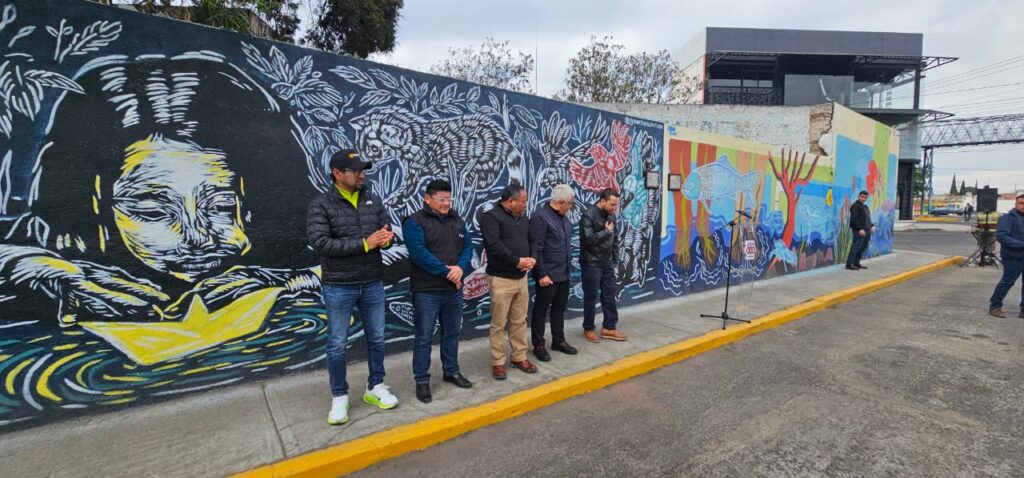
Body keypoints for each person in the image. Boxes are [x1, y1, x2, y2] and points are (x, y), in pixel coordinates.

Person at [307, 148, 398, 426]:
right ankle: (339, 396)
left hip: (372, 281)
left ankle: (375, 386)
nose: (362, 175)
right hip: (339, 285)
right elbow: (320, 243)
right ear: (337, 174)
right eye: (355, 171)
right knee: (337, 344)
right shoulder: (321, 205)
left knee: (377, 338)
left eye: (363, 170)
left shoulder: (372, 198)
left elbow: (385, 231)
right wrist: (365, 244)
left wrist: (387, 239)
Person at [402, 179, 474, 403]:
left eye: (449, 199)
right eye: (441, 199)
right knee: (424, 337)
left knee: (452, 333)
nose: (446, 203)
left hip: (453, 290)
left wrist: (460, 268)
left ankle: (451, 371)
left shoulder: (456, 219)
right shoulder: (414, 222)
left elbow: (468, 247)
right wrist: (447, 272)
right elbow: (419, 254)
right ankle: (422, 380)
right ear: (427, 199)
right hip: (427, 291)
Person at [479, 182, 537, 380]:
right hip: (501, 279)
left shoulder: (524, 218)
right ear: (511, 201)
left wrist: (532, 258)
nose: (526, 204)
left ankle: (519, 357)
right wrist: (517, 261)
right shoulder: (491, 217)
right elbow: (494, 245)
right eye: (523, 201)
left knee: (519, 321)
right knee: (498, 324)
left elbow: (533, 240)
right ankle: (498, 362)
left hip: (521, 278)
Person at [529, 184, 578, 361]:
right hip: (548, 275)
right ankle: (538, 345)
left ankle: (558, 340)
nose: (571, 207)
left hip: (564, 273)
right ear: (562, 201)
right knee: (541, 311)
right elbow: (536, 248)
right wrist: (541, 274)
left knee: (559, 309)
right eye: (570, 203)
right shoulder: (540, 217)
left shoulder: (564, 219)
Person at [580, 188, 628, 342]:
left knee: (609, 294)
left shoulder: (611, 215)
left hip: (607, 263)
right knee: (590, 297)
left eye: (616, 205)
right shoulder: (588, 215)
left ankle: (609, 327)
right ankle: (588, 328)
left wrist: (614, 261)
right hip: (591, 263)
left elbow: (614, 240)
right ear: (602, 201)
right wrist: (605, 232)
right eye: (612, 204)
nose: (615, 208)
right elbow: (588, 239)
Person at [988, 194, 1024, 319]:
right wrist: (1021, 245)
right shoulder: (1007, 218)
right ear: (1015, 204)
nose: (1023, 206)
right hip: (1013, 256)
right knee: (1008, 281)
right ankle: (995, 306)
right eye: (1021, 203)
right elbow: (1002, 236)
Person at [846, 190, 875, 271]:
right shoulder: (855, 206)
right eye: (862, 197)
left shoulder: (865, 207)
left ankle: (856, 263)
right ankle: (849, 264)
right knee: (856, 247)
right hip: (860, 231)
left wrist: (872, 225)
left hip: (867, 230)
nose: (864, 199)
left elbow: (867, 219)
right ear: (858, 196)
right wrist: (859, 229)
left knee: (862, 248)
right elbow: (854, 219)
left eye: (865, 197)